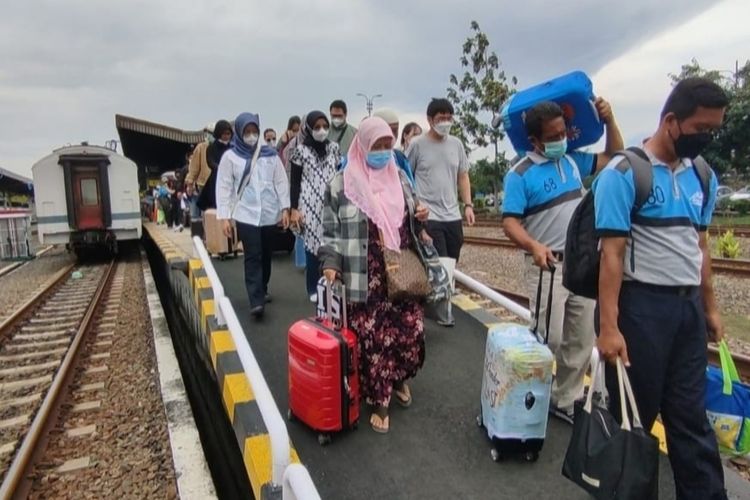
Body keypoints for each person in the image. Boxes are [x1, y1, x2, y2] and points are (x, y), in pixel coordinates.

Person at [594, 78, 728, 500]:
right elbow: (611, 255)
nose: (706, 138)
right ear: (671, 121)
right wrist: (610, 328)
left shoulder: (703, 176)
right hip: (640, 312)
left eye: (714, 130)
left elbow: (701, 247)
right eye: (701, 129)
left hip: (685, 313)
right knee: (635, 421)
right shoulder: (624, 174)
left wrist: (710, 309)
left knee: (691, 420)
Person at [501, 99, 623, 423]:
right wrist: (533, 245)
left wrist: (610, 122)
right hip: (547, 265)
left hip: (580, 264)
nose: (561, 139)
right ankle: (528, 399)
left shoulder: (572, 161)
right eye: (553, 136)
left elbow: (614, 157)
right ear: (535, 141)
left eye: (563, 132)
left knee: (581, 338)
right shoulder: (519, 174)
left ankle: (564, 400)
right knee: (547, 338)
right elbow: (509, 221)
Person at [319, 117, 431, 434]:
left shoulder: (400, 178)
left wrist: (421, 217)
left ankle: (399, 378)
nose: (383, 152)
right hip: (363, 274)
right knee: (375, 338)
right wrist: (330, 263)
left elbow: (412, 220)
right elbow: (329, 232)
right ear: (362, 146)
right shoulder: (340, 185)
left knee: (410, 331)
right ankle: (379, 398)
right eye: (376, 146)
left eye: (387, 145)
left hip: (400, 271)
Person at [216, 112, 290, 319]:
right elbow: (224, 187)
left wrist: (285, 208)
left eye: (254, 132)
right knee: (253, 255)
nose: (251, 136)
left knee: (266, 254)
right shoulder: (230, 158)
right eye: (246, 132)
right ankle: (255, 300)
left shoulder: (270, 155)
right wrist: (224, 217)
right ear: (239, 133)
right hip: (245, 214)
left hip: (268, 213)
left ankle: (262, 286)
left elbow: (281, 182)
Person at [406, 98, 472, 326]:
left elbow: (463, 175)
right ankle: (444, 314)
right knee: (440, 262)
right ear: (430, 120)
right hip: (429, 215)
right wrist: (415, 208)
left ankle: (434, 303)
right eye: (440, 117)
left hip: (453, 216)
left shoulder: (457, 144)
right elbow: (406, 176)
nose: (445, 121)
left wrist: (469, 205)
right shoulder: (417, 145)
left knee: (451, 263)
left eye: (448, 117)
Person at [289, 111, 341, 302]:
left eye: (325, 127)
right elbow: (294, 182)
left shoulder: (334, 148)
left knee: (330, 243)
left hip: (331, 202)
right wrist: (294, 208)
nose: (322, 131)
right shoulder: (300, 151)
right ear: (309, 128)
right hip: (309, 203)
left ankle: (330, 283)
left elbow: (338, 174)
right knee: (312, 247)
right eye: (317, 127)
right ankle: (313, 287)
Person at [372, 108, 415, 186]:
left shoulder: (400, 158)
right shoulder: (355, 159)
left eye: (395, 130)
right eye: (387, 130)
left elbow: (411, 187)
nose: (391, 134)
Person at [197, 120, 233, 212]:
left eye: (228, 134)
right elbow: (210, 162)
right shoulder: (211, 147)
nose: (226, 136)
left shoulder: (232, 148)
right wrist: (222, 168)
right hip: (216, 179)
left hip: (231, 179)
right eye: (224, 134)